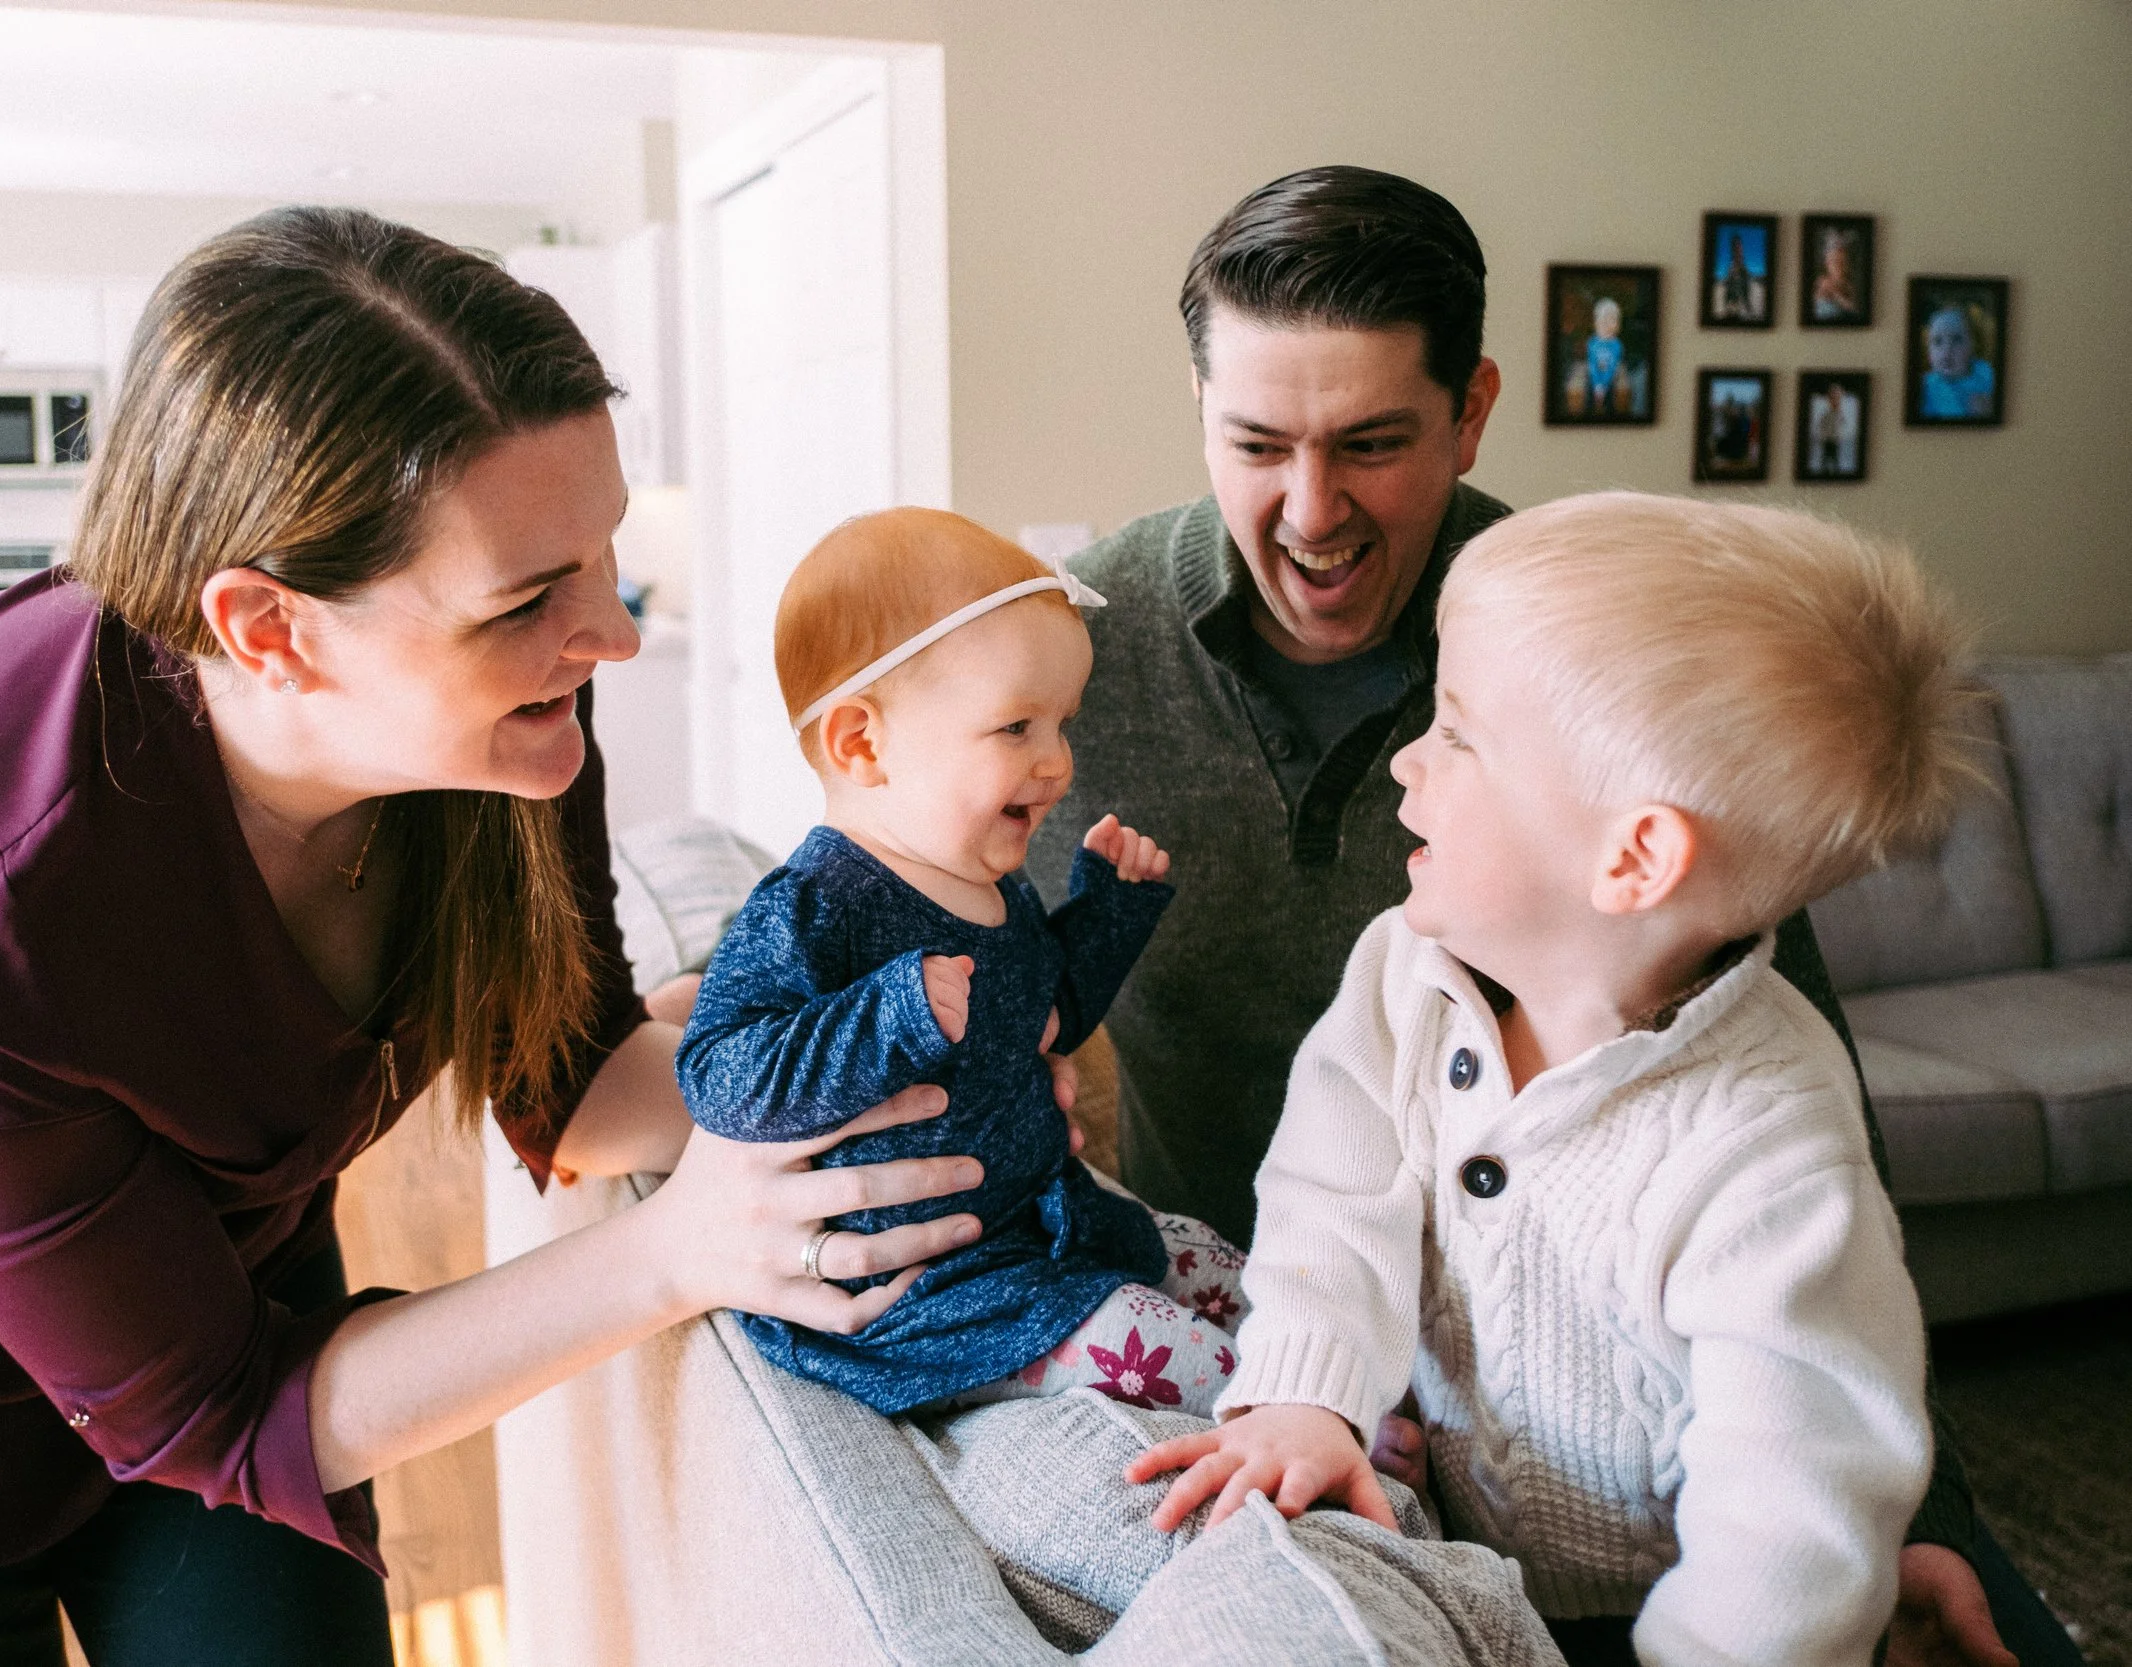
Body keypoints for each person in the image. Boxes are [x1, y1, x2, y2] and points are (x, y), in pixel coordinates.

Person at [0, 208, 983, 1667]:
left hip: (207, 1290)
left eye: (598, 556)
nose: (612, 632)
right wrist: (679, 1253)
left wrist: (891, 1053)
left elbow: (574, 1077)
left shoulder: (505, 724)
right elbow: (210, 1411)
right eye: (531, 596)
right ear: (269, 629)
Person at [1030, 165, 2074, 1667]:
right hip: (1309, 1368)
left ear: (1472, 413)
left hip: (1673, 1504)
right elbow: (906, 884)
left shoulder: (1587, 645)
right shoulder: (1075, 650)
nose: (1311, 510)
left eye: (1375, 443)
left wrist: (1910, 1514)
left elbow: (1806, 1254)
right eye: (1257, 442)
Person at [1129, 492, 1965, 1665]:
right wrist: (1307, 1393)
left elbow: (1793, 1503)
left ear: (1631, 856)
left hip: (1668, 1610)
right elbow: (1332, 1195)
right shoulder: (1401, 974)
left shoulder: (1765, 1145)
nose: (1408, 759)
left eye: (1460, 734)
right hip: (1456, 1546)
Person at [677, 508, 1248, 1417]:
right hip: (930, 1295)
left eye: (1062, 723)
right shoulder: (816, 904)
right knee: (1185, 1355)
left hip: (1043, 1219)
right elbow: (717, 1074)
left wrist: (1109, 912)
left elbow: (1048, 1012)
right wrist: (888, 1015)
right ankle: (1331, 1453)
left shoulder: (985, 879)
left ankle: (1345, 1402)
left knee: (1227, 1269)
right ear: (862, 744)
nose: (1058, 762)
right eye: (1016, 726)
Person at [1920, 304, 1998, 419]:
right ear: (1928, 352)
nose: (1947, 349)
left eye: (1957, 339)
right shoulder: (1926, 386)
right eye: (1937, 341)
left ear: (1974, 346)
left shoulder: (1986, 375)